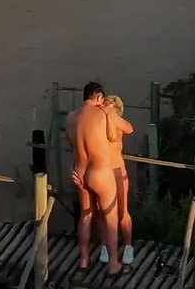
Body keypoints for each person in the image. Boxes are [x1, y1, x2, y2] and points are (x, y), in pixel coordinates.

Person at [66, 82, 123, 275]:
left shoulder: (71, 117)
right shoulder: (103, 114)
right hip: (101, 172)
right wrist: (109, 113)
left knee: (86, 215)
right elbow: (116, 135)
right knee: (111, 218)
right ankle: (114, 264)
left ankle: (83, 260)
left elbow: (72, 144)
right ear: (98, 96)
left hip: (80, 172)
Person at [103, 95, 136, 265]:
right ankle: (105, 246)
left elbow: (130, 128)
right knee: (104, 211)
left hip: (116, 169)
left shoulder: (118, 122)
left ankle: (128, 246)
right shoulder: (98, 123)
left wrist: (111, 115)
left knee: (123, 211)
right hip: (102, 171)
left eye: (109, 106)